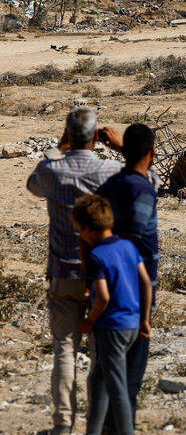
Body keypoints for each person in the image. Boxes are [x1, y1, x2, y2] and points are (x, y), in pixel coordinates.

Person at [26, 108, 125, 435]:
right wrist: (123, 148)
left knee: (64, 352)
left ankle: (62, 424)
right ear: (96, 137)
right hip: (101, 276)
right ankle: (98, 424)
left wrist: (59, 148)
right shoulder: (111, 171)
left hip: (63, 273)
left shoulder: (51, 172)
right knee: (100, 356)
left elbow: (31, 184)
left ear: (68, 135)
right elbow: (145, 177)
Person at [96, 123, 158, 432]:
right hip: (134, 296)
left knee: (107, 378)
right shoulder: (143, 189)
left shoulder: (108, 187)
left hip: (105, 288)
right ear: (153, 152)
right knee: (128, 383)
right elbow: (133, 237)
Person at [72, 195, 151, 435]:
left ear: (87, 229)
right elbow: (146, 283)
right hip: (131, 323)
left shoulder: (97, 257)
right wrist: (145, 319)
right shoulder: (128, 246)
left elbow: (103, 297)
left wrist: (89, 321)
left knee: (117, 388)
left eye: (79, 232)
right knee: (99, 381)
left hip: (111, 327)